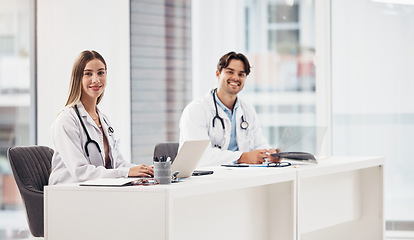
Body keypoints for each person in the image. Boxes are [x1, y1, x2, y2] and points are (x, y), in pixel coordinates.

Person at [49, 50, 153, 185]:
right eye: (88, 74)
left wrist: (145, 170)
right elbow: (80, 172)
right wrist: (127, 172)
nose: (96, 80)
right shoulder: (67, 120)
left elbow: (118, 163)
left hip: (95, 191)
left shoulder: (103, 119)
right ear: (77, 78)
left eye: (101, 72)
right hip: (68, 193)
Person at [179, 51, 281, 167]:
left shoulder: (247, 110)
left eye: (241, 74)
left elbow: (259, 144)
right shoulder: (196, 110)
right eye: (230, 72)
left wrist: (270, 154)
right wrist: (242, 157)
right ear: (218, 74)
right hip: (206, 179)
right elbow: (199, 156)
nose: (235, 78)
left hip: (240, 176)